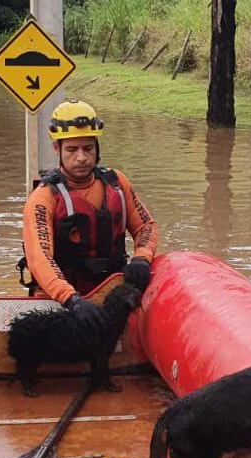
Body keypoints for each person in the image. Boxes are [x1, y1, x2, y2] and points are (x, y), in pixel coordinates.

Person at [20, 100, 159, 339]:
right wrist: (70, 299)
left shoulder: (117, 184)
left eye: (88, 148)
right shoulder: (43, 198)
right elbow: (39, 258)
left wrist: (142, 258)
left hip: (108, 291)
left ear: (97, 146)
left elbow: (145, 226)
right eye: (72, 150)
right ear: (57, 149)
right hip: (60, 299)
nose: (82, 158)